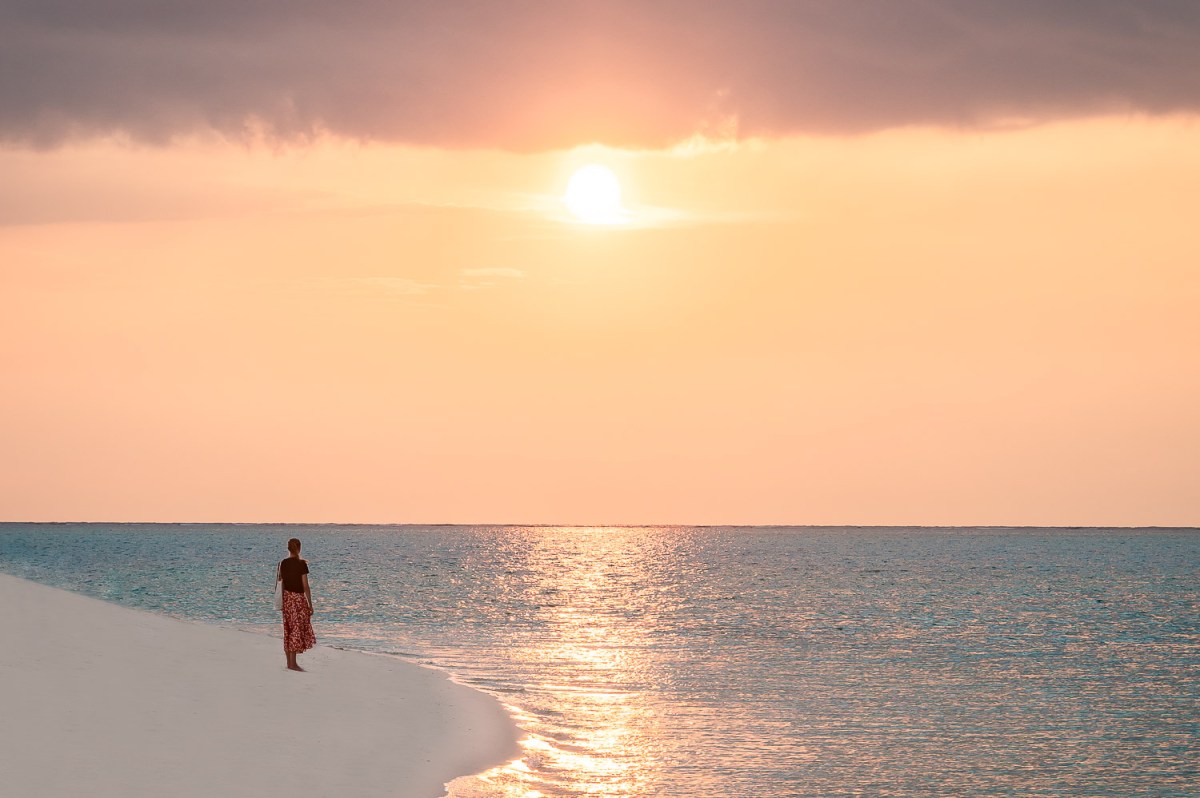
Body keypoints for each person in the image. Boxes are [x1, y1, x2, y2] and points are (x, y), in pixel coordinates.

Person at [277, 537, 316, 671]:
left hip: (287, 598)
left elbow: (280, 582)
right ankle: (293, 664)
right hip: (298, 599)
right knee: (296, 629)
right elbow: (305, 586)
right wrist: (310, 604)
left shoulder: (283, 563)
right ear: (299, 548)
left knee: (288, 629)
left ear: (288, 548)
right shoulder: (301, 564)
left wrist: (282, 601)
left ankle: (289, 663)